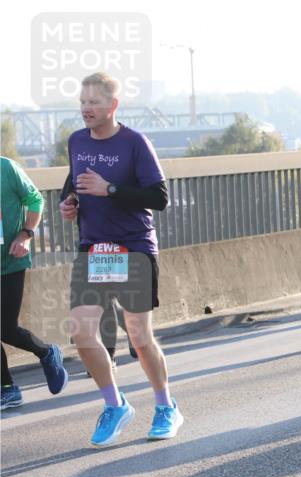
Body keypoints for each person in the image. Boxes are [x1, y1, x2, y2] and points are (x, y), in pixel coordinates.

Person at [58, 72, 181, 446]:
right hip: (94, 249)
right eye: (82, 102)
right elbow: (74, 180)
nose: (86, 109)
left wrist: (110, 189)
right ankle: (115, 405)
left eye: (94, 102)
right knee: (81, 332)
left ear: (113, 106)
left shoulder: (135, 143)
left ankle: (165, 406)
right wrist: (70, 202)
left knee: (139, 336)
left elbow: (159, 198)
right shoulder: (77, 141)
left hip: (133, 247)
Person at [1, 156, 70, 409]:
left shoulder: (6, 168)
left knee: (5, 327)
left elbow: (35, 199)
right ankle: (7, 388)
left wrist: (26, 234)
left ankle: (46, 352)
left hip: (10, 260)